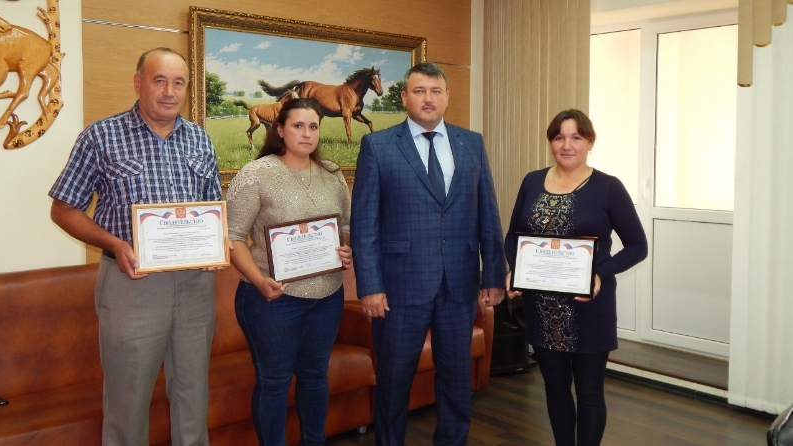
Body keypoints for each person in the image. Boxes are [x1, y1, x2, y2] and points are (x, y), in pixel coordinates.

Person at [49, 47, 223, 445]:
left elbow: (214, 207)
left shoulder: (199, 139)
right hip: (132, 284)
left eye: (178, 83)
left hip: (196, 286)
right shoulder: (101, 136)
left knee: (193, 394)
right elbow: (63, 209)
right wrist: (115, 243)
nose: (169, 92)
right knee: (128, 399)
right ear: (138, 83)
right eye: (159, 80)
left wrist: (217, 244)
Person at [350, 62, 507, 445]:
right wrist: (369, 286)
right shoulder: (379, 146)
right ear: (405, 97)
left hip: (459, 284)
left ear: (447, 97)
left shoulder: (471, 143)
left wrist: (493, 276)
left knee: (456, 378)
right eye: (419, 91)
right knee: (394, 380)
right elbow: (365, 224)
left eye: (436, 91)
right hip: (399, 288)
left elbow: (488, 213)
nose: (428, 98)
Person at [504, 109, 648, 446]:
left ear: (590, 142)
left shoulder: (608, 188)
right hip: (542, 308)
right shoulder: (531, 181)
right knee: (554, 389)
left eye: (576, 137)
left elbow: (637, 246)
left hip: (589, 308)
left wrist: (600, 274)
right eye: (559, 137)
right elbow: (513, 236)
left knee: (589, 392)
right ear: (550, 142)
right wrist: (515, 268)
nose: (566, 145)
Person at [225, 98, 353, 446]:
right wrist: (259, 281)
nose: (307, 133)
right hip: (273, 299)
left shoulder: (332, 173)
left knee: (315, 376)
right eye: (298, 126)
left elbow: (344, 226)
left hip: (327, 296)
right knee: (274, 382)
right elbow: (233, 237)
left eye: (313, 126)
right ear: (279, 130)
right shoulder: (256, 174)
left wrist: (345, 248)